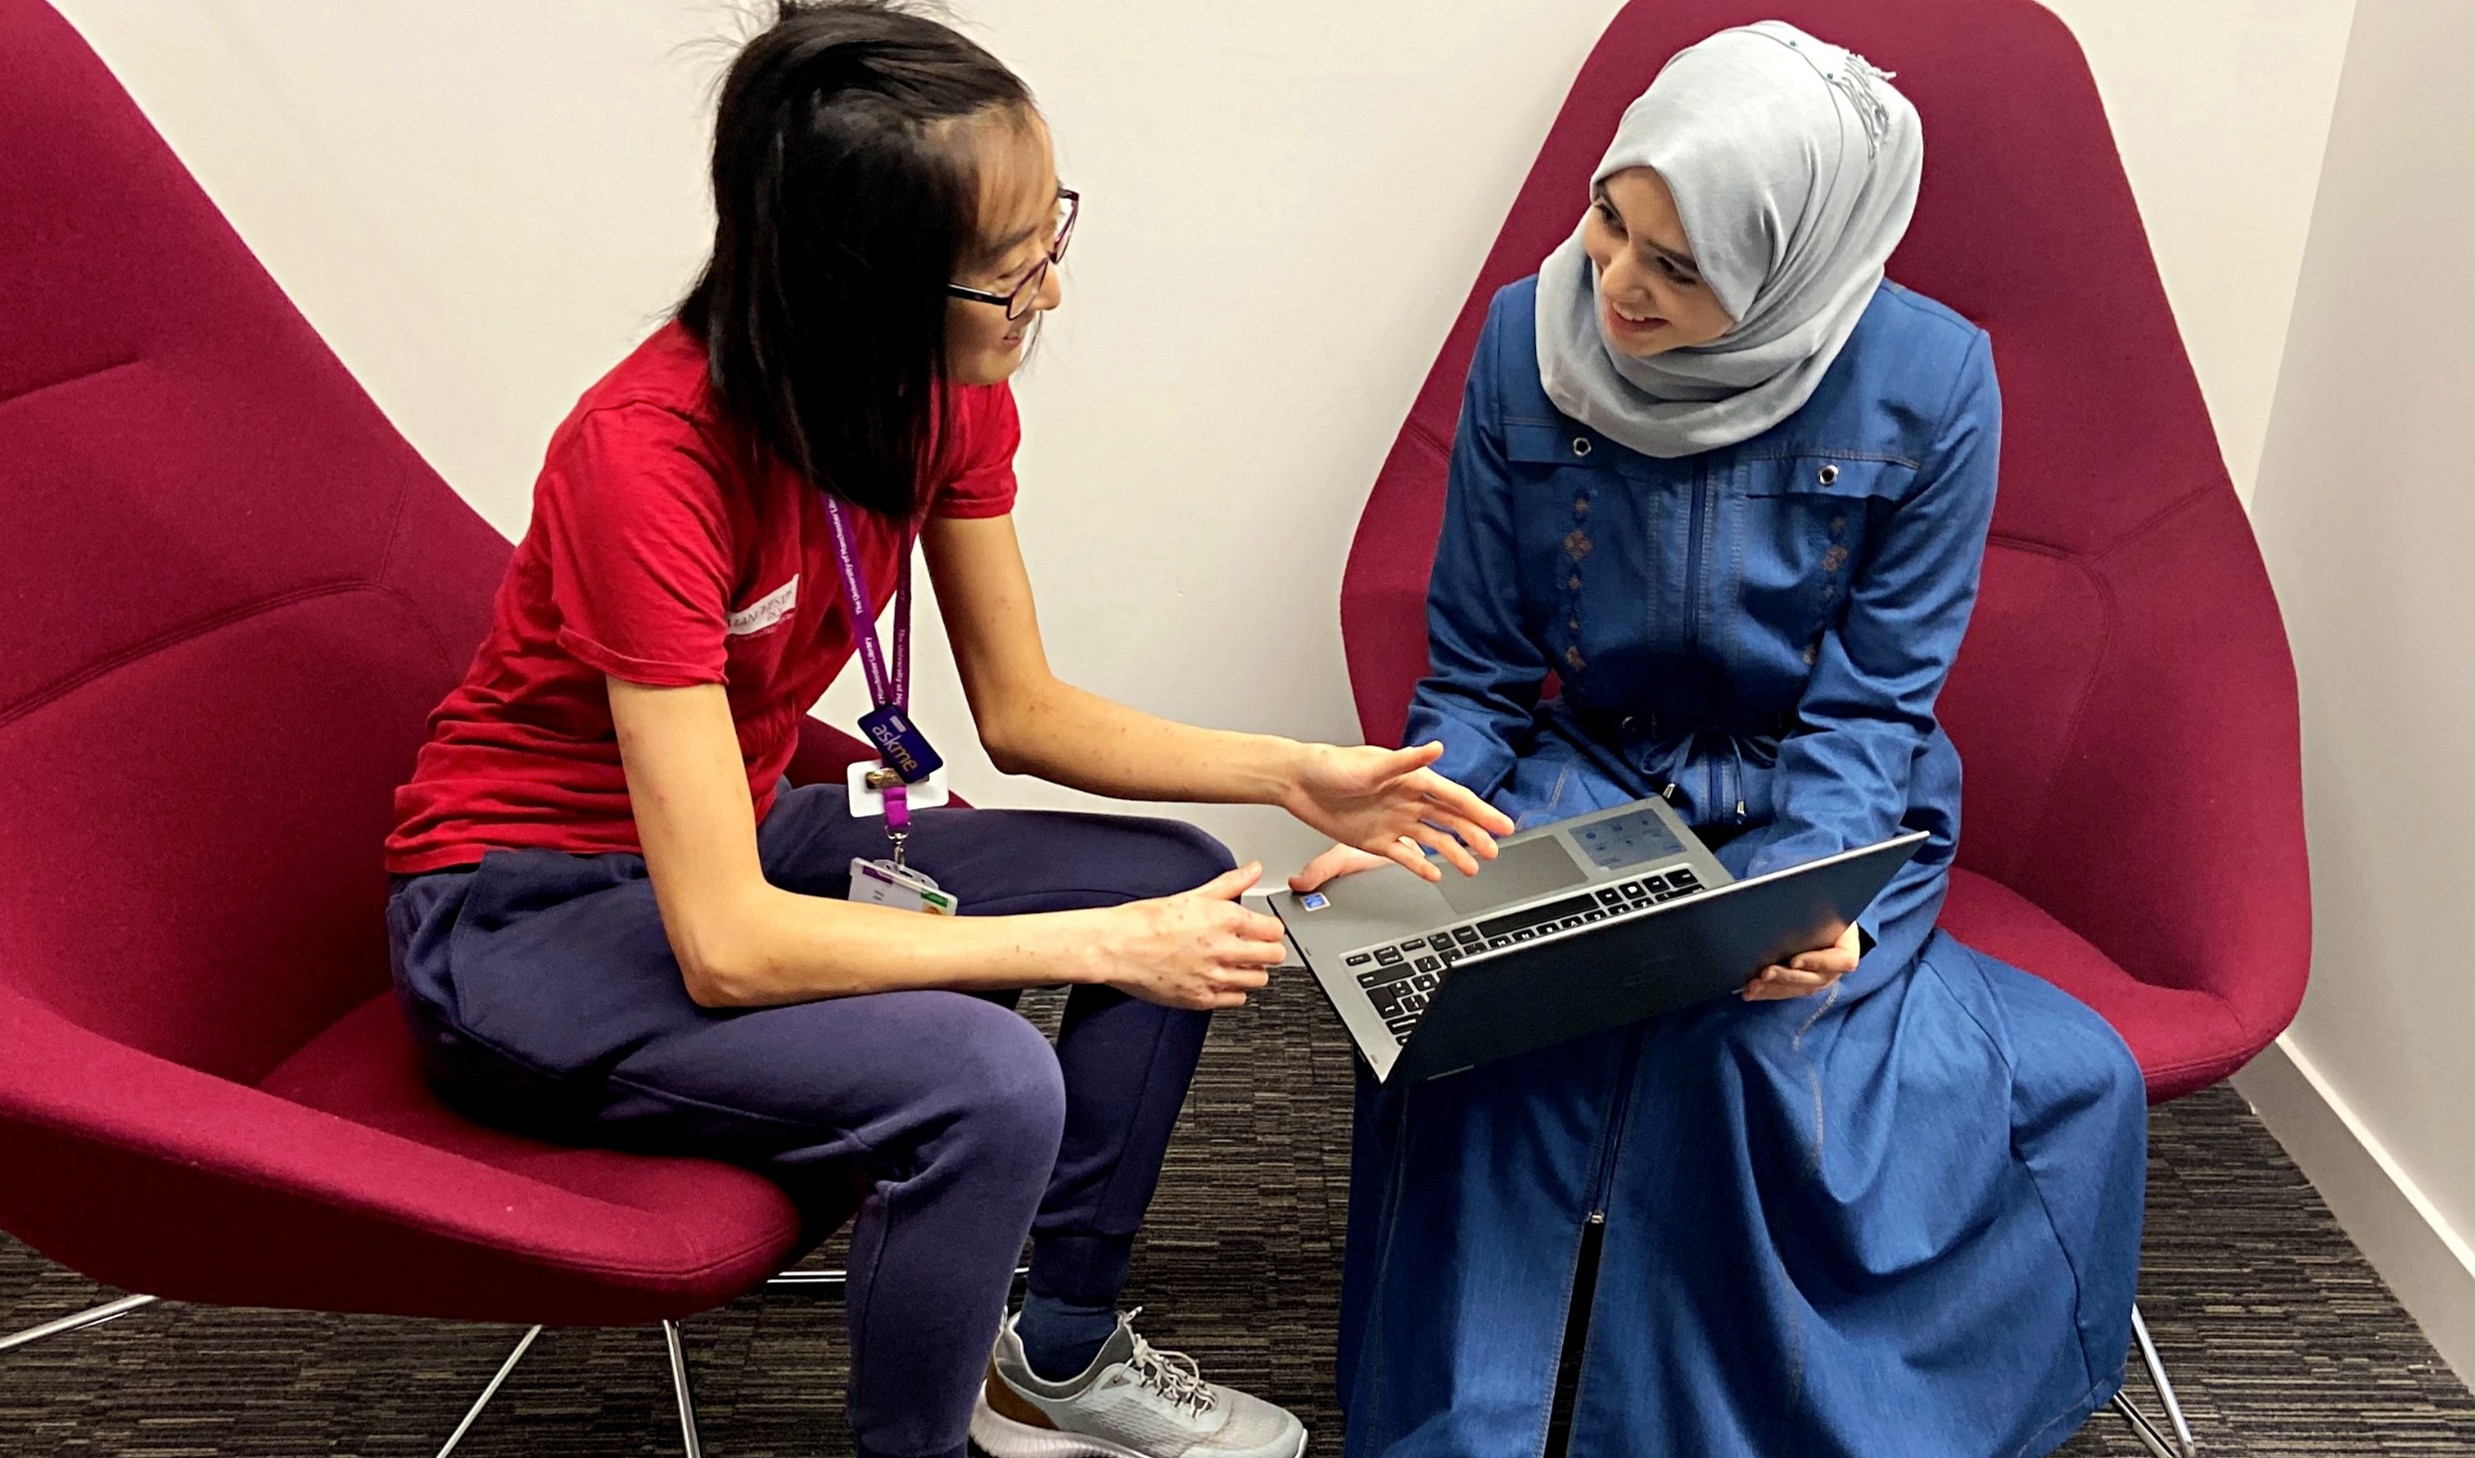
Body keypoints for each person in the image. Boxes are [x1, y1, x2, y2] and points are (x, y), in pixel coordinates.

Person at [380, 6, 1513, 1457]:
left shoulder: (937, 391)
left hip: (726, 832)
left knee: (1165, 869)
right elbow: (726, 942)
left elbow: (1024, 711)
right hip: (521, 917)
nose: (1049, 287)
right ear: (863, 286)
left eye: (1055, 232)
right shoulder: (645, 463)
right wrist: (1090, 949)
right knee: (989, 1080)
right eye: (1009, 267)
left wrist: (1292, 776)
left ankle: (1056, 1349)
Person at [1291, 22, 2148, 1457]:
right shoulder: (1525, 334)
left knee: (1757, 1056)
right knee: (1495, 1036)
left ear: (1784, 265)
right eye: (1608, 219)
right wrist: (1411, 828)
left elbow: (1874, 704)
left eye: (1676, 266)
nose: (1613, 286)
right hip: (1592, 770)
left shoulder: (1936, 384)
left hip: (1826, 792)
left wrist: (1820, 896)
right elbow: (1486, 673)